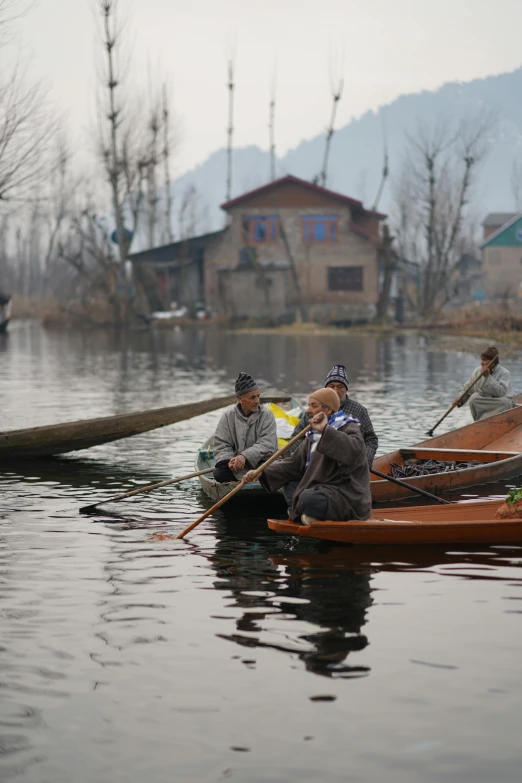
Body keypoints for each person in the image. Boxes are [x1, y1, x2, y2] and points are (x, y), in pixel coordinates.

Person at [244, 387, 371, 524]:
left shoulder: (348, 428)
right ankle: (303, 518)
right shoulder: (312, 436)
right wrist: (261, 472)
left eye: (313, 406)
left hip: (345, 495)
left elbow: (354, 451)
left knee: (308, 498)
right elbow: (292, 464)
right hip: (321, 489)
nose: (308, 410)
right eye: (309, 405)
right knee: (291, 484)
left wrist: (325, 430)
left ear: (327, 410)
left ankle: (306, 514)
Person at [288, 364, 378, 465]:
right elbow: (296, 437)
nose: (336, 391)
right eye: (332, 386)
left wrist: (364, 460)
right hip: (315, 463)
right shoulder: (315, 409)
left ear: (346, 389)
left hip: (349, 464)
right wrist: (302, 457)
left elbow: (371, 440)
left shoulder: (359, 411)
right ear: (326, 388)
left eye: (340, 387)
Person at [213, 372, 277, 483]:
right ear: (240, 399)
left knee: (274, 470)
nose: (257, 401)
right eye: (252, 397)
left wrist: (244, 456)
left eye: (258, 396)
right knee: (219, 474)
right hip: (238, 467)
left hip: (261, 464)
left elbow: (267, 443)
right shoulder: (228, 416)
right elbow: (222, 444)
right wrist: (230, 462)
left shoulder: (267, 415)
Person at [452, 346, 515, 422]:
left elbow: (500, 392)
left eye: (485, 360)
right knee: (474, 398)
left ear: (493, 362)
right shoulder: (477, 371)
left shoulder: (504, 373)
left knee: (505, 402)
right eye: (482, 360)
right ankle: (480, 422)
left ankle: (493, 421)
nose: (482, 363)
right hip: (485, 401)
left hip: (499, 402)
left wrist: (487, 377)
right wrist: (460, 398)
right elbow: (467, 388)